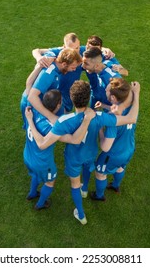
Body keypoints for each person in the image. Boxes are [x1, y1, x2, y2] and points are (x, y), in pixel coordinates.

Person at [26, 80, 140, 225]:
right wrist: (136, 94)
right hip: (91, 153)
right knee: (87, 169)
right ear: (88, 98)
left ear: (71, 98)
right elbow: (131, 118)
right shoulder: (98, 116)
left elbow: (44, 142)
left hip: (73, 157)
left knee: (75, 184)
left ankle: (80, 213)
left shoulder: (63, 121)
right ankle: (85, 189)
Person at [24, 89, 95, 210]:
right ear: (58, 105)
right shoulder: (53, 128)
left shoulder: (32, 111)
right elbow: (73, 139)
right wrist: (86, 120)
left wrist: (30, 120)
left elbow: (29, 88)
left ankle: (32, 193)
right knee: (50, 181)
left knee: (35, 174)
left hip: (28, 155)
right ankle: (40, 204)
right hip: (43, 162)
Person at [91, 78, 139, 201]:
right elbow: (116, 108)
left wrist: (100, 130)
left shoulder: (113, 120)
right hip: (129, 148)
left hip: (113, 154)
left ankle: (99, 196)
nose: (105, 91)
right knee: (120, 167)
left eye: (107, 90)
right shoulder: (132, 110)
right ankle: (116, 186)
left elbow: (105, 147)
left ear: (113, 98)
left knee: (100, 173)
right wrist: (104, 106)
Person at [27, 48, 82, 125]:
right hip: (34, 107)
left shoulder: (55, 64)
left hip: (44, 103)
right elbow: (32, 97)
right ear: (64, 64)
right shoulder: (49, 73)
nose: (74, 70)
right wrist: (51, 117)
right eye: (73, 67)